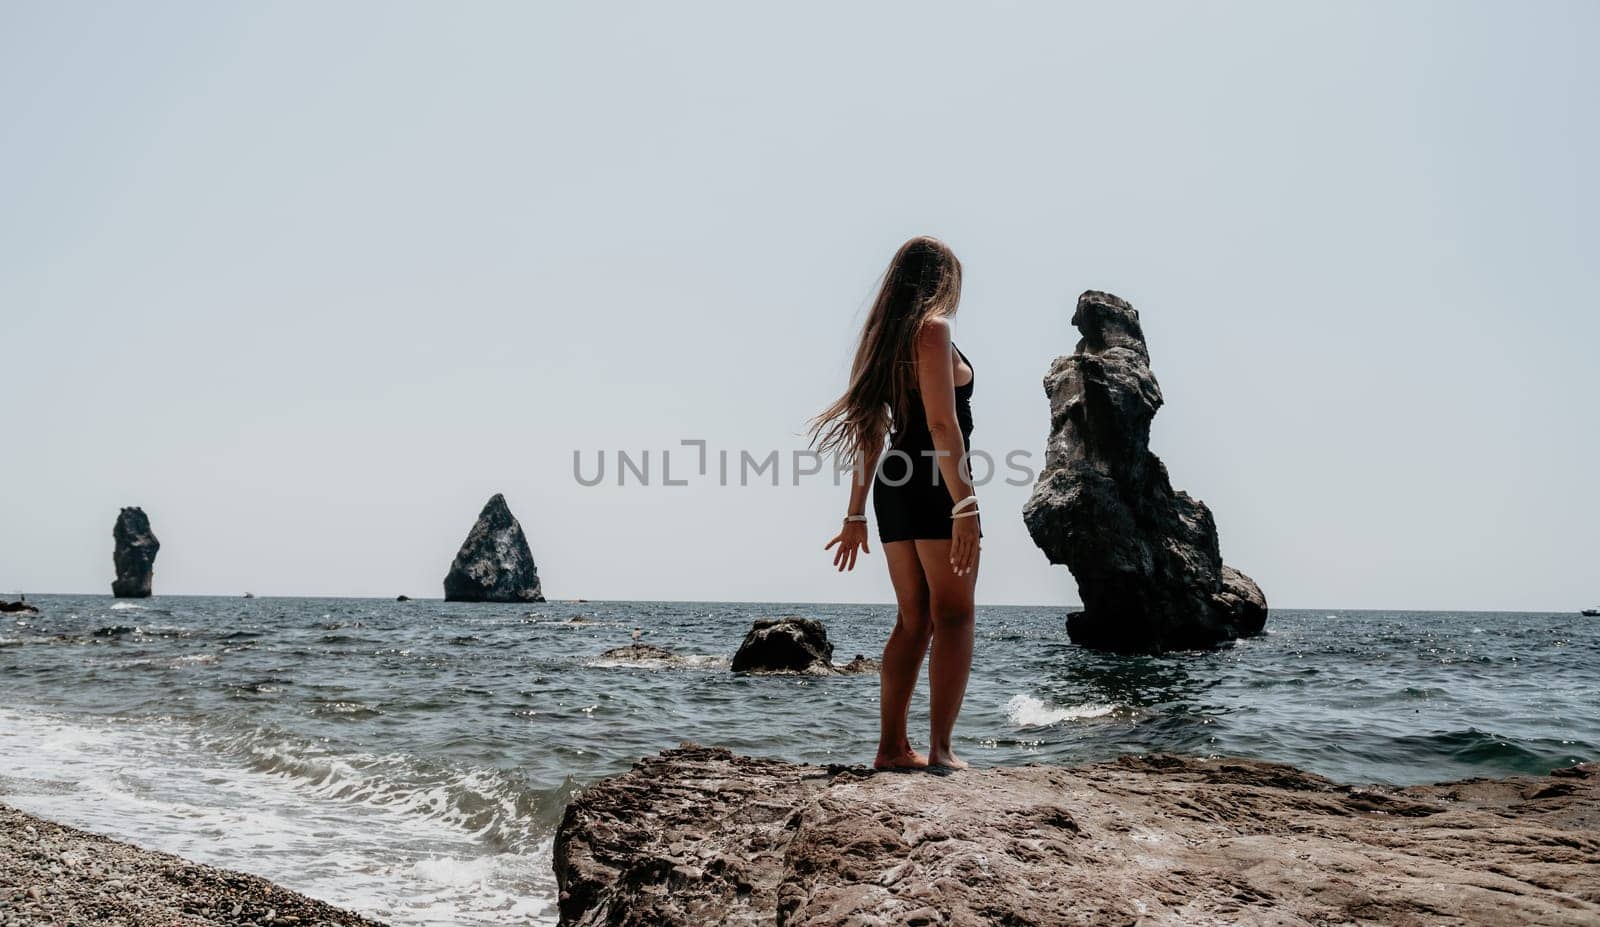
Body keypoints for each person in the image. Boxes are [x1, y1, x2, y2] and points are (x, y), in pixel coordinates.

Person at [813, 236, 979, 770]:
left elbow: (870, 432)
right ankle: (940, 751)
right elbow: (940, 424)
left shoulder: (881, 340)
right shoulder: (933, 330)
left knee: (913, 620)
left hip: (893, 485)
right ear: (942, 280)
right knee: (952, 616)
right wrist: (966, 505)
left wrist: (856, 512)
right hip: (934, 482)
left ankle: (890, 749)